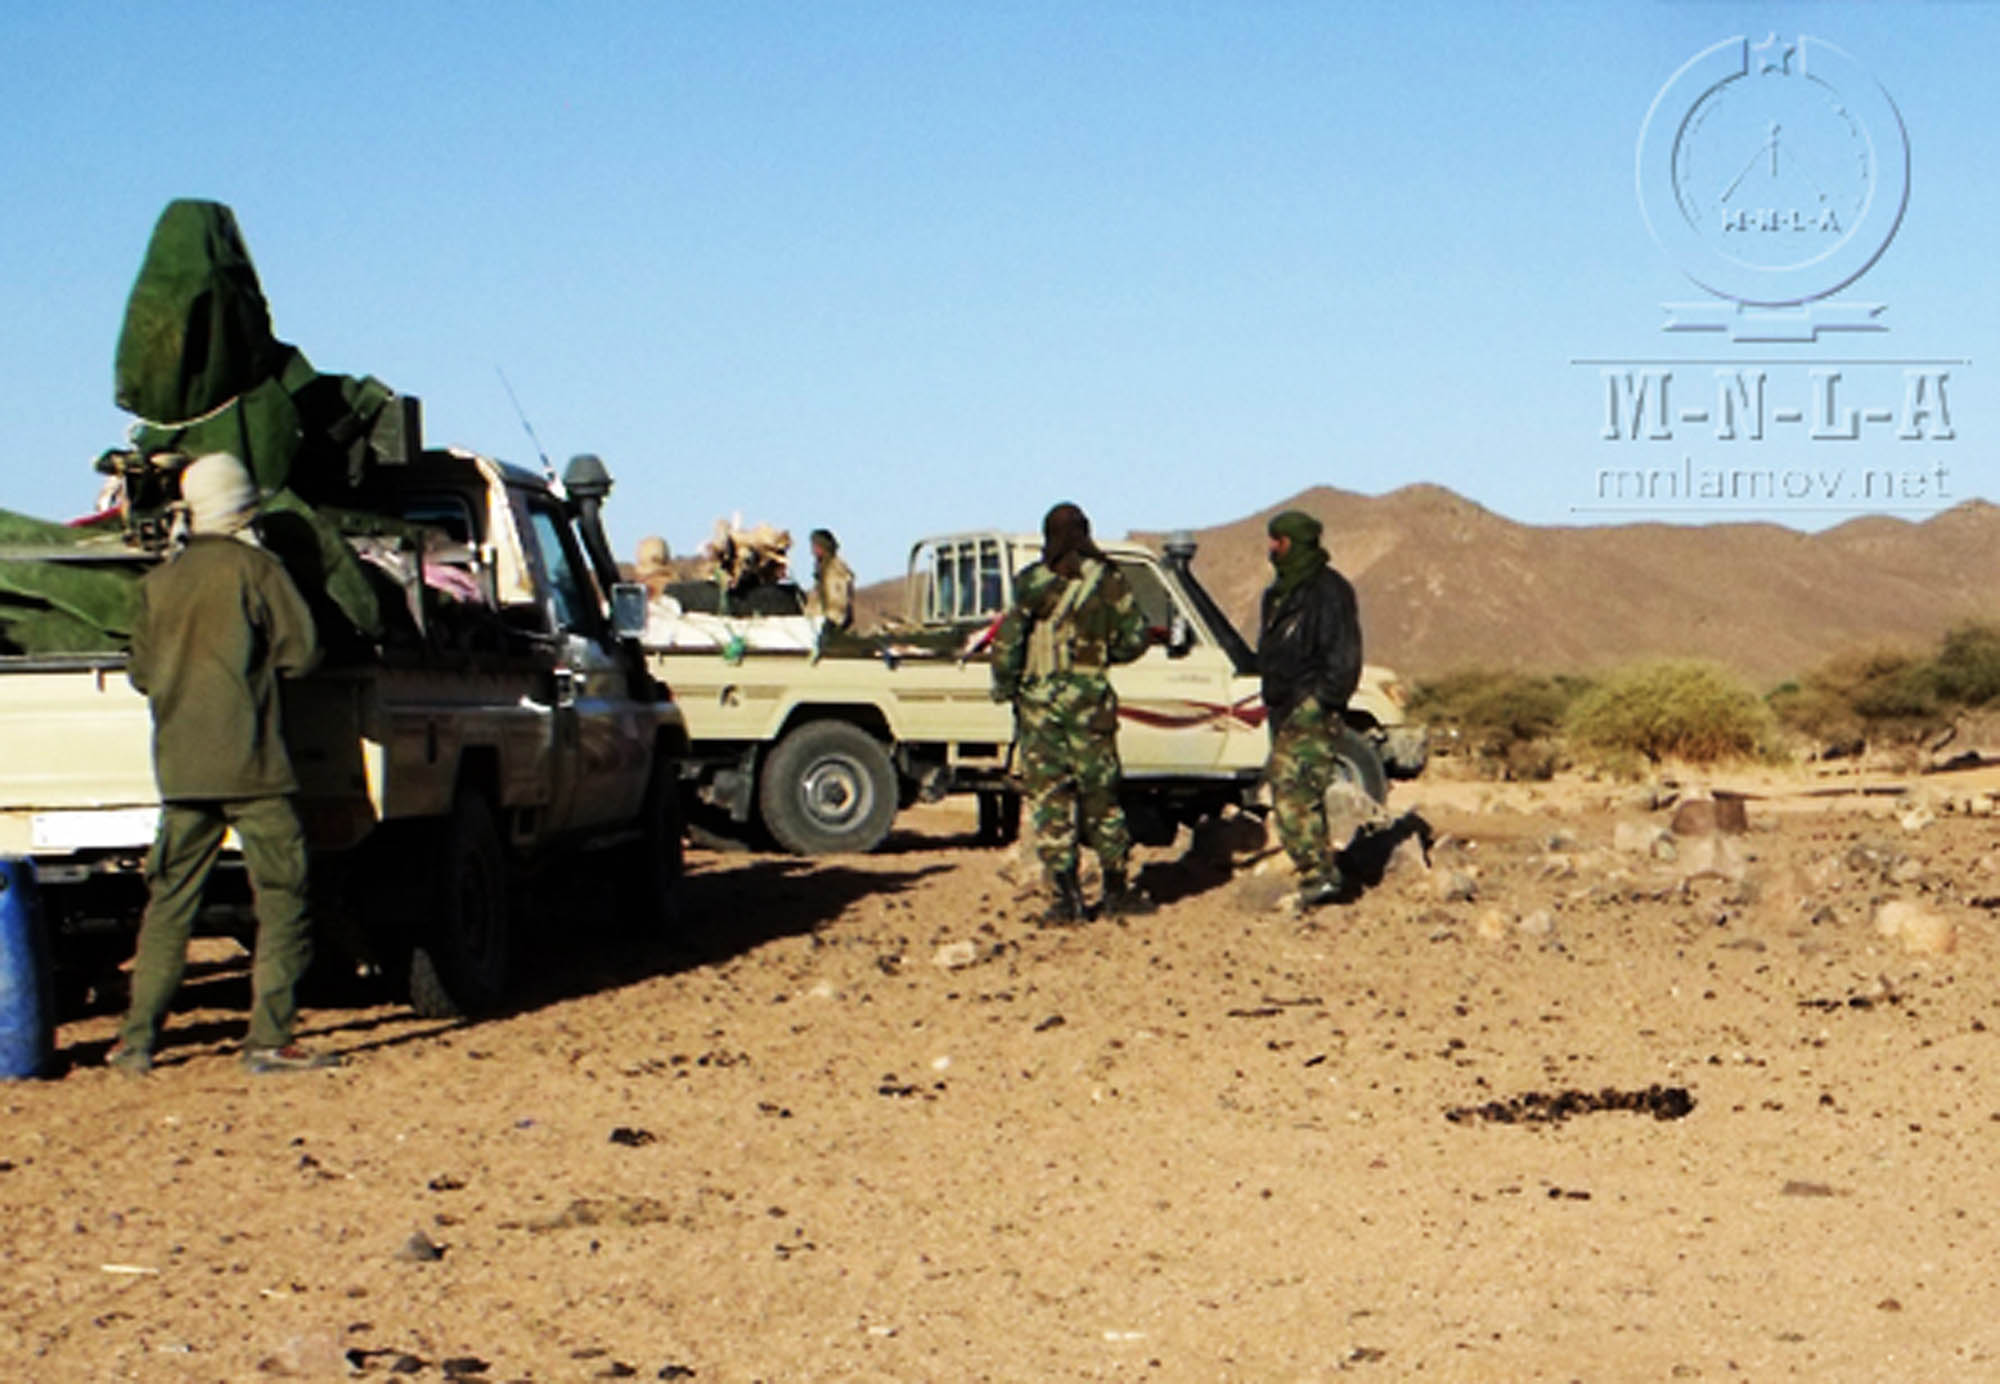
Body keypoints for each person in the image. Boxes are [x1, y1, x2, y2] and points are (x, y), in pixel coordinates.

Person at [106, 453, 337, 1076]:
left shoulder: (158, 583)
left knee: (168, 906)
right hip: (254, 768)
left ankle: (136, 1042)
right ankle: (269, 1039)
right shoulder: (257, 570)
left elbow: (141, 673)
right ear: (244, 506)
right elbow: (302, 654)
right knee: (283, 898)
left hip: (181, 770)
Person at [990, 503, 1155, 923]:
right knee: (1102, 797)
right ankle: (1117, 890)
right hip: (1090, 701)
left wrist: (1007, 686)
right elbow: (1136, 638)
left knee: (1051, 800)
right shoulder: (1109, 579)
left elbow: (1008, 641)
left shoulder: (1031, 582)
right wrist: (1100, 656)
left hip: (1041, 705)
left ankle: (1067, 900)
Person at [1257, 509, 1364, 910]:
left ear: (1294, 543)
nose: (1272, 548)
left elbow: (1344, 657)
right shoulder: (1278, 593)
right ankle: (1318, 871)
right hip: (1282, 704)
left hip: (1310, 706)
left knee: (1292, 788)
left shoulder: (1329, 591)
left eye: (1278, 541)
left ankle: (1319, 875)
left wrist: (1321, 701)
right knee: (1295, 789)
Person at [804, 527, 855, 632]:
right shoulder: (822, 568)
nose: (813, 551)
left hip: (830, 623)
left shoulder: (835, 569)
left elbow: (838, 598)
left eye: (816, 546)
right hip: (817, 623)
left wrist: (831, 621)